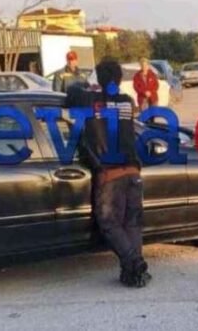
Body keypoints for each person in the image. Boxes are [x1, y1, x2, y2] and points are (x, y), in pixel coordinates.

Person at [65, 59, 151, 288]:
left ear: (99, 79)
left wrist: (87, 87)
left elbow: (71, 91)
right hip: (133, 171)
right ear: (120, 79)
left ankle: (135, 262)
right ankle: (133, 274)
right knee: (132, 223)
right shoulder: (127, 101)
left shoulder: (89, 100)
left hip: (110, 175)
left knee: (109, 223)